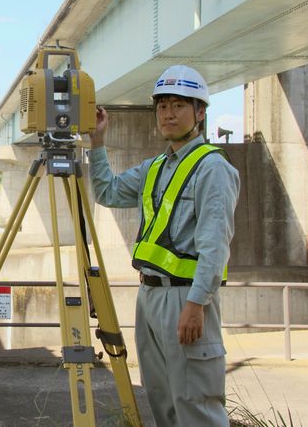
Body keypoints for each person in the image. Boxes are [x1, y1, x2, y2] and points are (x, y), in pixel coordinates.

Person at [87, 65, 240, 427]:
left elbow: (214, 245)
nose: (168, 114)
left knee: (196, 403)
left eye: (179, 105)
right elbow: (108, 191)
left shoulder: (212, 168)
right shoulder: (155, 167)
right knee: (162, 401)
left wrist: (196, 304)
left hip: (186, 298)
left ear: (200, 112)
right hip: (150, 297)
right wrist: (97, 142)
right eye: (162, 106)